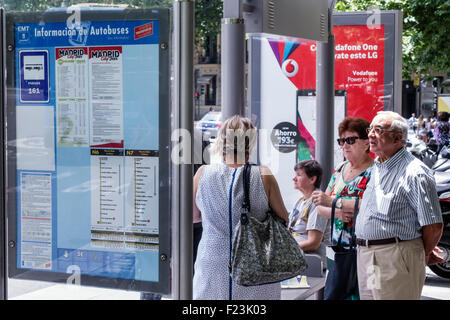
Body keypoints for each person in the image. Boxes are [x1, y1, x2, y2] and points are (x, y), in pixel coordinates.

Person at [192, 115, 289, 300]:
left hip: (212, 263)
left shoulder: (202, 174)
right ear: (251, 144)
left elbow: (194, 216)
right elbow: (283, 218)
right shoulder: (263, 175)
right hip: (256, 266)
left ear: (222, 140)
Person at [355, 111, 444, 300]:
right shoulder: (378, 166)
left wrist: (423, 253)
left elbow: (434, 225)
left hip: (395, 256)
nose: (370, 134)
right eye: (370, 128)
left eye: (378, 130)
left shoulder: (415, 173)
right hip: (369, 257)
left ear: (397, 138)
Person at [311, 117, 374, 300]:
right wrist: (338, 212)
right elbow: (321, 207)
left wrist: (335, 203)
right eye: (342, 141)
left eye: (351, 140)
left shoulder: (374, 172)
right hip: (338, 250)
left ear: (366, 143)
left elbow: (372, 208)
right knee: (335, 295)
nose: (345, 145)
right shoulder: (340, 169)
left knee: (363, 295)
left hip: (365, 250)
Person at [289, 160, 330, 267]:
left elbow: (313, 242)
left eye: (299, 175)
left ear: (312, 179)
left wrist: (285, 249)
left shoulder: (318, 202)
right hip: (297, 259)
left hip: (311, 263)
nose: (294, 178)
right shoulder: (300, 201)